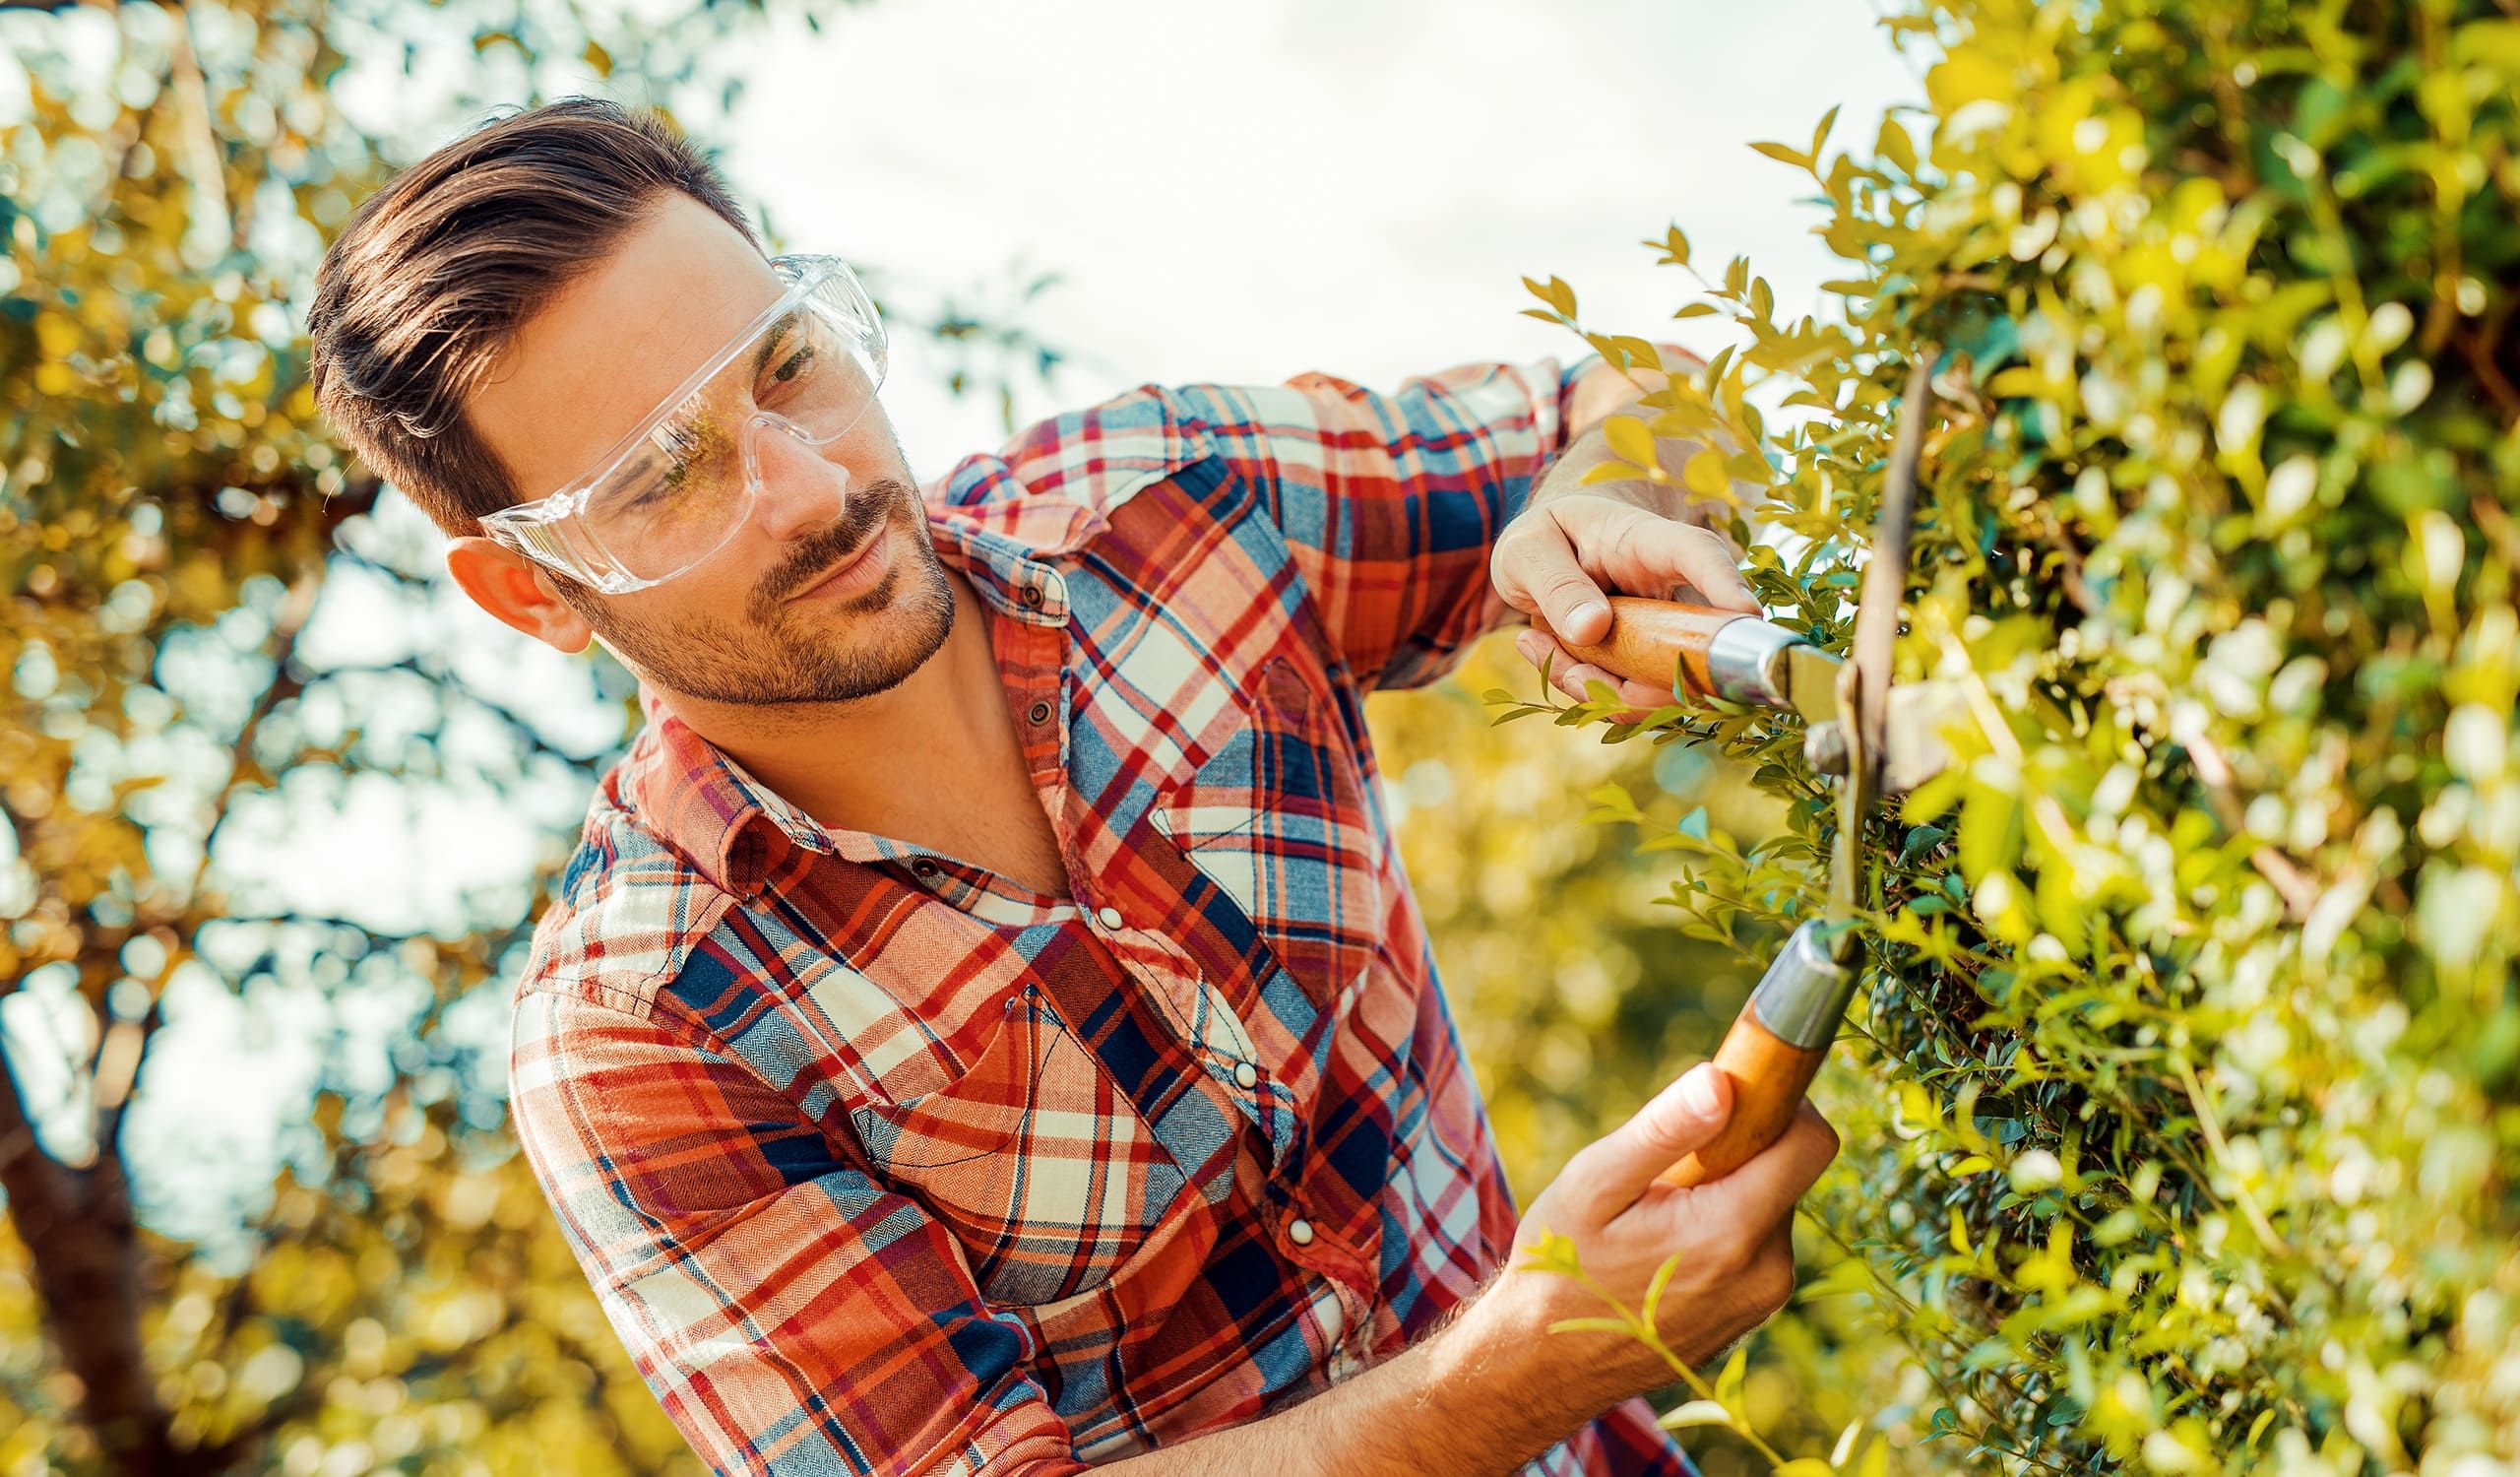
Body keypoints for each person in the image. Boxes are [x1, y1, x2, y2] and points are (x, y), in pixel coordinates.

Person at [306, 97, 1838, 1477]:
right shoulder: (647, 1031)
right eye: (667, 475)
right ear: (530, 594)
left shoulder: (1174, 505)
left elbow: (1646, 394)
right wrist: (1520, 1372)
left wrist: (1597, 505)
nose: (814, 482)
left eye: (791, 367)